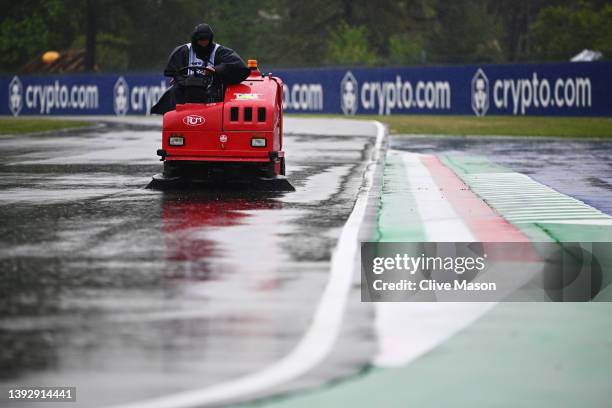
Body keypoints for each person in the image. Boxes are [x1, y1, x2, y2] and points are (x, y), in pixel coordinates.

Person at [151, 23, 250, 114]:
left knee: (214, 92)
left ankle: (214, 117)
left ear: (210, 39)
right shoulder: (183, 51)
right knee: (175, 90)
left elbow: (239, 66)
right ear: (195, 40)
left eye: (206, 40)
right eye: (200, 40)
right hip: (186, 89)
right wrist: (180, 79)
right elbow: (173, 71)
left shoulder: (220, 52)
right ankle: (178, 117)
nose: (203, 43)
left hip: (212, 89)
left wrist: (216, 69)